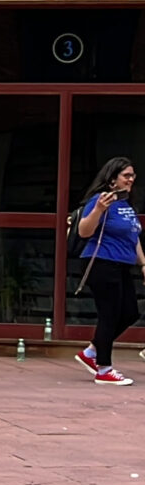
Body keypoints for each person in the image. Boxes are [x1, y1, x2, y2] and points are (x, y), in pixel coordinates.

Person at [74, 156, 144, 386]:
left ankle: (92, 352)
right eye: (126, 176)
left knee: (130, 312)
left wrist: (143, 263)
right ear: (112, 179)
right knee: (109, 314)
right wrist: (98, 210)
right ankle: (104, 369)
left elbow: (133, 238)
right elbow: (84, 231)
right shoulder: (100, 200)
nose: (131, 179)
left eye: (132, 175)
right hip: (101, 262)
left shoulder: (126, 205)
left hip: (121, 264)